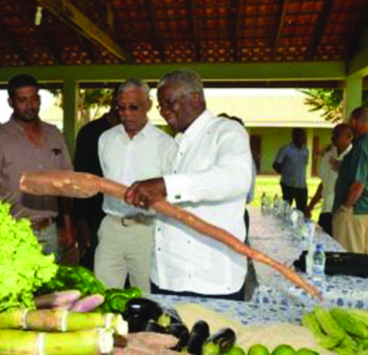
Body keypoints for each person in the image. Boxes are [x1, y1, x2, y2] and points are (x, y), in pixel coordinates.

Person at [124, 70, 252, 300]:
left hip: (208, 282)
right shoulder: (176, 144)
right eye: (161, 106)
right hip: (166, 277)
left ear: (196, 98)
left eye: (170, 103)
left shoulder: (226, 131)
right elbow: (175, 200)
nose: (164, 112)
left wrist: (165, 185)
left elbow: (235, 178)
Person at [0, 74, 74, 260]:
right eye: (23, 100)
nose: (30, 105)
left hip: (51, 230)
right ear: (11, 102)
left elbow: (66, 184)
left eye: (34, 99)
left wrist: (68, 227)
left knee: (53, 288)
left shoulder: (54, 134)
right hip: (13, 232)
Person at [94, 79, 175, 294]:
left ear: (148, 105)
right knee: (103, 297)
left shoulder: (166, 144)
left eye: (134, 107)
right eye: (121, 107)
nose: (126, 113)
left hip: (147, 231)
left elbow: (171, 192)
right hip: (111, 228)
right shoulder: (105, 139)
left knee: (148, 298)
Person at [73, 86, 120, 270]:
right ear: (112, 102)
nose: (123, 109)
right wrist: (81, 222)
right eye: (119, 103)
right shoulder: (90, 132)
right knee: (95, 270)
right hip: (94, 217)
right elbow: (79, 177)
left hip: (125, 218)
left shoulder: (136, 133)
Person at [332, 107, 368, 254]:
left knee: (349, 260)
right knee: (362, 261)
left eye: (350, 121)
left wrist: (344, 208)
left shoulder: (362, 146)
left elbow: (358, 183)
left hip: (354, 211)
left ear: (354, 122)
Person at [305, 124, 353, 236]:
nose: (333, 137)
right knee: (323, 246)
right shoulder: (328, 155)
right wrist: (310, 206)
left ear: (349, 137)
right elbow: (323, 183)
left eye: (337, 135)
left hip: (342, 212)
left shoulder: (353, 157)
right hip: (326, 210)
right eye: (333, 134)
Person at [273, 128, 309, 213]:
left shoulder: (306, 150)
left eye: (303, 136)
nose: (301, 138)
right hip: (288, 185)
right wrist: (285, 175)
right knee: (286, 211)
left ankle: (300, 226)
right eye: (298, 136)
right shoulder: (286, 149)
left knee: (302, 211)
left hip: (302, 186)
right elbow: (275, 165)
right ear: (293, 137)